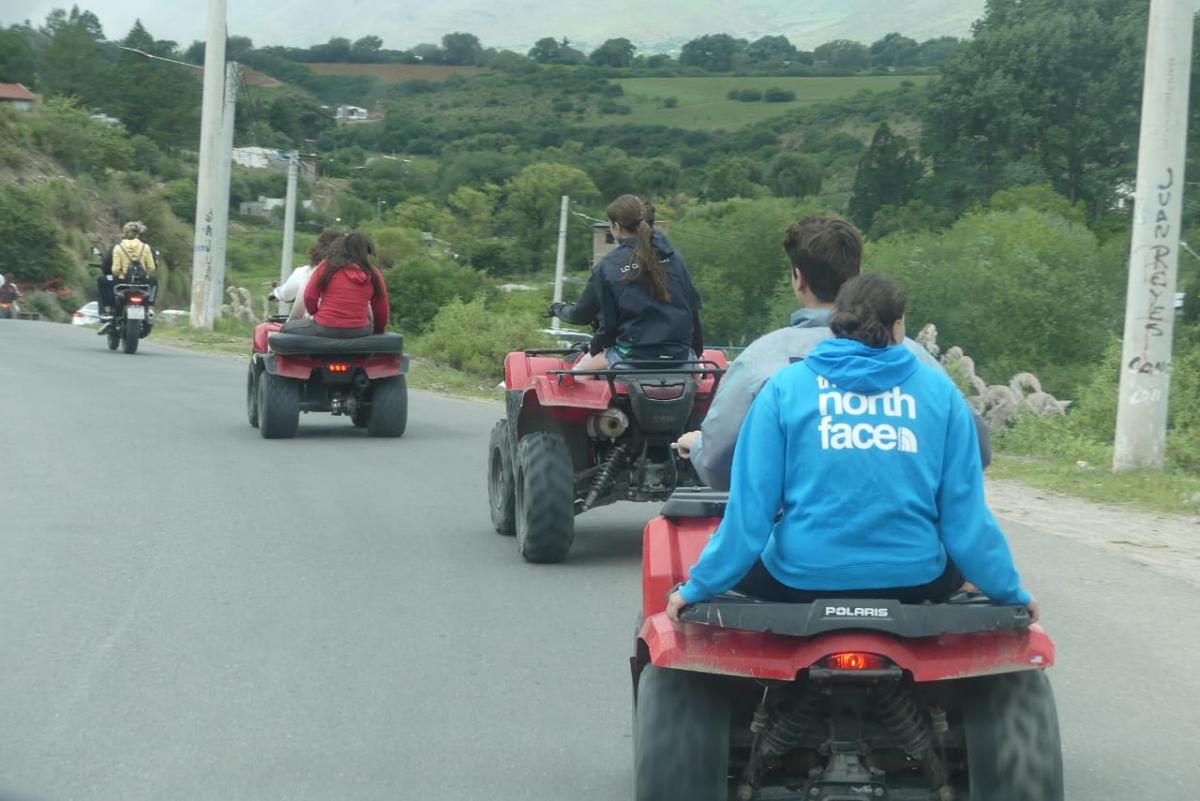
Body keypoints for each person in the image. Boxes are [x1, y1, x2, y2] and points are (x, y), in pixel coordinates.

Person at [667, 274, 1038, 622]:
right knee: (960, 570)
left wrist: (699, 587)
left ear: (837, 325)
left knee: (737, 554)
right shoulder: (940, 392)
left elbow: (751, 514)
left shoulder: (785, 388)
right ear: (899, 327)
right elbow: (965, 520)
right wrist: (1011, 592)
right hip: (914, 581)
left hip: (800, 580)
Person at [675, 214, 989, 490]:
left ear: (798, 279)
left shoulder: (760, 359)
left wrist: (699, 447)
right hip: (911, 537)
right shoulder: (913, 356)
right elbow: (977, 449)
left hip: (795, 538)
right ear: (859, 274)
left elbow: (719, 465)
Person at [549, 194, 702, 370]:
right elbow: (693, 312)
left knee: (575, 375)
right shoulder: (674, 259)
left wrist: (558, 310)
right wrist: (694, 357)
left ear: (615, 226)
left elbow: (601, 324)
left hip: (632, 359)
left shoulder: (608, 266)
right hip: (680, 358)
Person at [281, 232, 388, 338]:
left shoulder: (327, 266)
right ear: (367, 253)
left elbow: (309, 296)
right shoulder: (374, 274)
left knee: (286, 328)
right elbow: (381, 310)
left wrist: (315, 314)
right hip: (360, 331)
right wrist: (378, 332)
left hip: (325, 327)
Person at [269, 229, 344, 322]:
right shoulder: (355, 276)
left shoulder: (306, 273)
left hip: (317, 327)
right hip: (353, 329)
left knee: (267, 329)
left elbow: (287, 293)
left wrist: (276, 294)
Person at [99, 222, 157, 332]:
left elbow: (115, 270)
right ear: (138, 234)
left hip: (122, 281)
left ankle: (107, 309)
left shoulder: (118, 247)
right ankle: (150, 307)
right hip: (142, 282)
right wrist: (145, 274)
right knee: (154, 281)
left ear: (124, 233)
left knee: (101, 280)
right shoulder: (145, 247)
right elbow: (151, 267)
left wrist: (120, 274)